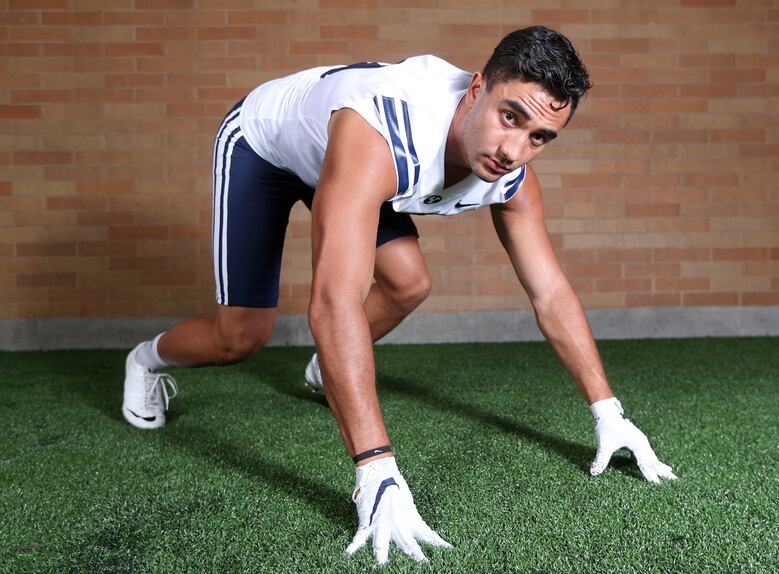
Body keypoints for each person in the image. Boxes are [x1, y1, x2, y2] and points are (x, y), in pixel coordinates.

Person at [122, 26, 677, 565]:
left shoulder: (511, 175)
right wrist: (376, 472)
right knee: (239, 338)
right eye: (511, 117)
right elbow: (332, 302)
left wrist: (608, 412)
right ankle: (144, 361)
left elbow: (550, 290)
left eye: (539, 138)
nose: (515, 150)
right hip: (266, 146)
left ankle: (326, 371)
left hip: (345, 156)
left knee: (409, 284)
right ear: (477, 87)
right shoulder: (384, 132)